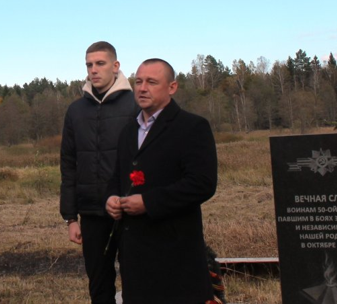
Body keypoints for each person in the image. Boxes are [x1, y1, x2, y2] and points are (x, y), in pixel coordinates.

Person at [106, 58, 218, 304]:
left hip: (175, 253)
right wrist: (112, 198)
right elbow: (118, 177)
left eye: (151, 82)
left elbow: (202, 183)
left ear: (172, 87)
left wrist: (149, 202)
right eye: (138, 81)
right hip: (135, 256)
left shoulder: (192, 127)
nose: (142, 88)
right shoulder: (128, 131)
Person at [59, 41, 139, 303]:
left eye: (100, 63)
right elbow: (69, 164)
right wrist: (71, 218)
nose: (93, 70)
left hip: (130, 210)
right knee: (99, 284)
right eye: (89, 65)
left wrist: (139, 198)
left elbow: (149, 158)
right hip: (92, 211)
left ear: (116, 66)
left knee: (137, 280)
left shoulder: (136, 104)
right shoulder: (76, 111)